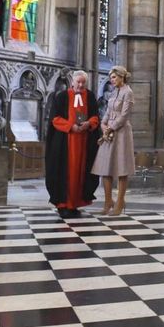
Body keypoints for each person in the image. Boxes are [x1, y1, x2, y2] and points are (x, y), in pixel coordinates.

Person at [45, 70, 100, 218]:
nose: (81, 85)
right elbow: (55, 119)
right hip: (66, 143)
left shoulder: (90, 96)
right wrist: (71, 126)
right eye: (78, 82)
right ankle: (63, 205)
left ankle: (75, 204)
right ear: (72, 82)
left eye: (83, 82)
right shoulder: (62, 96)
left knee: (82, 174)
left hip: (84, 143)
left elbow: (96, 116)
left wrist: (88, 123)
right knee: (65, 173)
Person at [91, 66, 135, 216]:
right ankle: (108, 201)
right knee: (105, 168)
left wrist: (111, 128)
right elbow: (108, 112)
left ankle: (120, 201)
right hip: (108, 132)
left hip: (121, 133)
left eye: (114, 77)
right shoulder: (114, 92)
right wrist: (103, 126)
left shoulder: (128, 92)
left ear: (122, 77)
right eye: (111, 78)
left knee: (122, 170)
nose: (112, 80)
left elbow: (124, 116)